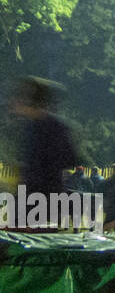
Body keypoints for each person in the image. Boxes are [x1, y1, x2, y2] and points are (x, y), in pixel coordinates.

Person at [10, 77, 80, 223]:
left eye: (21, 97)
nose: (16, 101)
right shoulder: (32, 127)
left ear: (30, 101)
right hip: (32, 200)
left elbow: (70, 159)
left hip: (44, 200)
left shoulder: (54, 128)